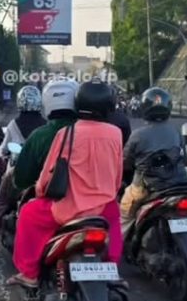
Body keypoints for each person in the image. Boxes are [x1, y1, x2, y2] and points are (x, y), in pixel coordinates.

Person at [7, 80, 124, 287]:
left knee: (27, 213)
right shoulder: (115, 133)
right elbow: (117, 175)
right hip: (103, 208)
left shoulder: (67, 134)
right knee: (115, 218)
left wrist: (41, 192)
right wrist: (109, 195)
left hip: (68, 210)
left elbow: (49, 173)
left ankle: (30, 274)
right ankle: (112, 269)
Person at [0, 86, 47, 257]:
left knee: (1, 202)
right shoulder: (46, 125)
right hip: (43, 176)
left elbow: (3, 150)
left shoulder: (13, 124)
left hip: (17, 174)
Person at [119, 87, 187, 238]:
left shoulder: (138, 135)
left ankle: (117, 251)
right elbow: (184, 158)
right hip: (180, 184)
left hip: (147, 186)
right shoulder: (175, 132)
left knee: (125, 214)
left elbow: (125, 162)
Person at [12, 79, 80, 192]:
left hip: (46, 202)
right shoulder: (94, 135)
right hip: (88, 202)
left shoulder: (38, 137)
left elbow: (21, 180)